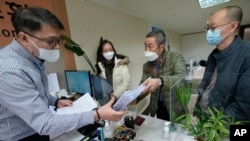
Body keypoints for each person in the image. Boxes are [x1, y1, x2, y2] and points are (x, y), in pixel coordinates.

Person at [0, 7, 127, 141]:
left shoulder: (30, 58)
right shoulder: (9, 71)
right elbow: (45, 123)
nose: (57, 47)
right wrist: (97, 115)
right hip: (20, 136)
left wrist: (55, 101)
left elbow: (33, 91)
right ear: (24, 38)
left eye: (58, 40)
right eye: (51, 41)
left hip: (36, 129)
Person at [197, 6, 250, 122]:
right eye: (208, 28)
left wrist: (214, 126)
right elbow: (206, 87)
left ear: (232, 26)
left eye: (213, 28)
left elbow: (244, 106)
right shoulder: (213, 55)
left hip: (223, 125)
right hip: (205, 118)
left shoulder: (246, 55)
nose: (208, 32)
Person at [135, 30, 187, 120]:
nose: (146, 50)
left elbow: (182, 78)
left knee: (176, 132)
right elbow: (144, 85)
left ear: (161, 47)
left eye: (150, 46)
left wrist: (160, 81)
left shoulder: (175, 58)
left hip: (175, 106)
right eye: (145, 46)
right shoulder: (147, 65)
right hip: (158, 106)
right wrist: (135, 97)